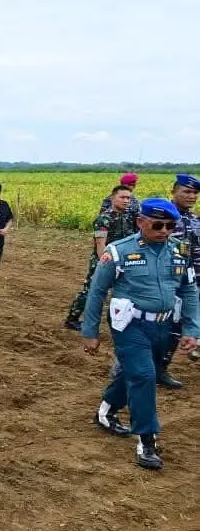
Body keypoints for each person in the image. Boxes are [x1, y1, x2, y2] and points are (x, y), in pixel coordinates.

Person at [82, 198, 200, 471]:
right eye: (158, 225)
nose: (164, 231)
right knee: (145, 376)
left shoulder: (180, 250)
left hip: (164, 326)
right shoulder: (119, 251)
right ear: (140, 222)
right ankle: (146, 440)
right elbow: (97, 292)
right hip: (130, 325)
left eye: (170, 226)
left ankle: (107, 410)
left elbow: (188, 291)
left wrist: (192, 329)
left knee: (136, 373)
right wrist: (90, 332)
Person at [64, 185, 138, 332]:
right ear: (112, 198)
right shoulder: (103, 219)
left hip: (124, 260)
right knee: (92, 290)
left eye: (128, 198)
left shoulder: (130, 218)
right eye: (122, 197)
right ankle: (72, 318)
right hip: (104, 260)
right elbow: (100, 245)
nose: (126, 201)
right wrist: (104, 264)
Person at [157, 174, 200, 386]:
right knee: (166, 327)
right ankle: (155, 368)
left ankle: (161, 367)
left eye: (195, 193)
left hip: (190, 282)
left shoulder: (194, 220)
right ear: (173, 192)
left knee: (181, 324)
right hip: (167, 282)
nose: (192, 196)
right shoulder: (163, 219)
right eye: (186, 191)